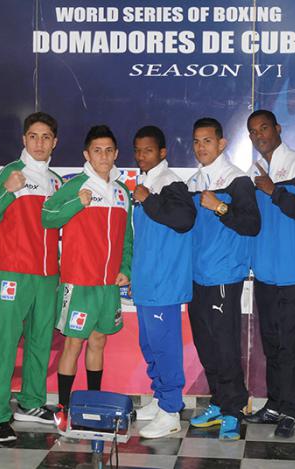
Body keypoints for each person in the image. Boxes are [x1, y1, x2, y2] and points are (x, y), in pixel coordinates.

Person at [0, 112, 63, 442]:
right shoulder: (11, 175)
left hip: (46, 275)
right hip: (14, 272)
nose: (39, 143)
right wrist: (8, 191)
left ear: (54, 142)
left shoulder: (56, 180)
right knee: (4, 344)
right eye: (33, 136)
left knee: (41, 341)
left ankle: (31, 402)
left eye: (45, 137)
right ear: (23, 140)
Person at [42, 125, 132, 431]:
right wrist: (76, 202)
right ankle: (64, 408)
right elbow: (47, 217)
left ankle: (93, 404)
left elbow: (128, 238)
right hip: (78, 282)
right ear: (86, 154)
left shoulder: (122, 192)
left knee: (98, 340)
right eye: (97, 150)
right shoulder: (75, 185)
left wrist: (126, 268)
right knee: (73, 345)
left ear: (116, 154)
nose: (103, 156)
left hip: (107, 285)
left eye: (109, 150)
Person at [244, 110, 295, 438]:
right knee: (272, 344)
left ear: (278, 129)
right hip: (264, 272)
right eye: (253, 131)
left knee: (290, 344)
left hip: (293, 273)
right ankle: (274, 403)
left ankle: (291, 410)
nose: (259, 135)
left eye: (264, 127)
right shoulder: (253, 171)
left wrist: (275, 191)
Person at [186, 117, 260, 440]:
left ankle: (234, 409)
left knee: (225, 347)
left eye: (207, 141)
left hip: (223, 276)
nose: (201, 147)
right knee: (207, 345)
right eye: (197, 142)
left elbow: (252, 224)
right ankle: (219, 401)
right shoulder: (194, 181)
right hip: (197, 277)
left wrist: (220, 207)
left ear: (222, 144)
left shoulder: (237, 180)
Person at [130, 126, 196, 439]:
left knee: (165, 347)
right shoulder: (146, 183)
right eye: (138, 150)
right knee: (150, 345)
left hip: (164, 285)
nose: (142, 155)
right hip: (147, 283)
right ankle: (161, 398)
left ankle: (171, 410)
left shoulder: (170, 183)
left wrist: (149, 199)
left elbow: (185, 221)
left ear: (163, 153)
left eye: (149, 150)